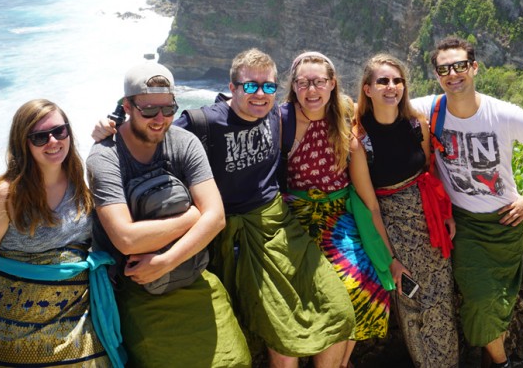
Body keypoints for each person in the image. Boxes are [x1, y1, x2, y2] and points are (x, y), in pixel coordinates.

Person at [94, 49, 355, 367]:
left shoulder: (279, 114)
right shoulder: (201, 123)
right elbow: (152, 129)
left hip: (280, 224)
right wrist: (110, 125)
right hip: (237, 237)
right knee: (284, 338)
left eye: (268, 87)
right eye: (250, 86)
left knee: (341, 311)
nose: (260, 94)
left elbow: (324, 106)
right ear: (232, 88)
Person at [410, 37, 523, 368]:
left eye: (460, 66)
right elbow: (379, 106)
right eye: (444, 69)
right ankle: (500, 362)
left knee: (499, 302)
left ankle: (488, 358)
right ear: (437, 75)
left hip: (504, 224)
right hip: (463, 224)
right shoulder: (429, 109)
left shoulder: (503, 114)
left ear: (474, 67)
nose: (453, 74)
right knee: (481, 298)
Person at [86, 60, 251, 367]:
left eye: (168, 109)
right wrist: (191, 217)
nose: (160, 119)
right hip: (136, 288)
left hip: (191, 272)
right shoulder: (105, 156)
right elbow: (125, 239)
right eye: (149, 110)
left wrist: (164, 262)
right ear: (128, 106)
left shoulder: (184, 142)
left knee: (235, 360)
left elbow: (216, 218)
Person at [0, 99, 118, 368]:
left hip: (77, 319)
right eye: (40, 137)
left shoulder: (82, 182)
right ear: (23, 143)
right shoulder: (4, 196)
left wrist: (108, 134)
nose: (53, 141)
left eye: (59, 131)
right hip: (15, 329)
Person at [281, 51, 391, 368]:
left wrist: (385, 254)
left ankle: (339, 363)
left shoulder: (343, 124)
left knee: (361, 281)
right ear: (294, 85)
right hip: (294, 220)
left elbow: (368, 198)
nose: (311, 90)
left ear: (332, 84)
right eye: (303, 82)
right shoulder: (280, 122)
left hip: (336, 219)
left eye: (319, 82)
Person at [351, 53, 459, 368]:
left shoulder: (416, 123)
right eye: (383, 80)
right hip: (396, 231)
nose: (392, 86)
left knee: (442, 306)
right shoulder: (360, 141)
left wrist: (445, 213)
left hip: (431, 226)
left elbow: (429, 171)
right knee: (414, 312)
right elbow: (372, 207)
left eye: (397, 80)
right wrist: (391, 262)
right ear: (367, 89)